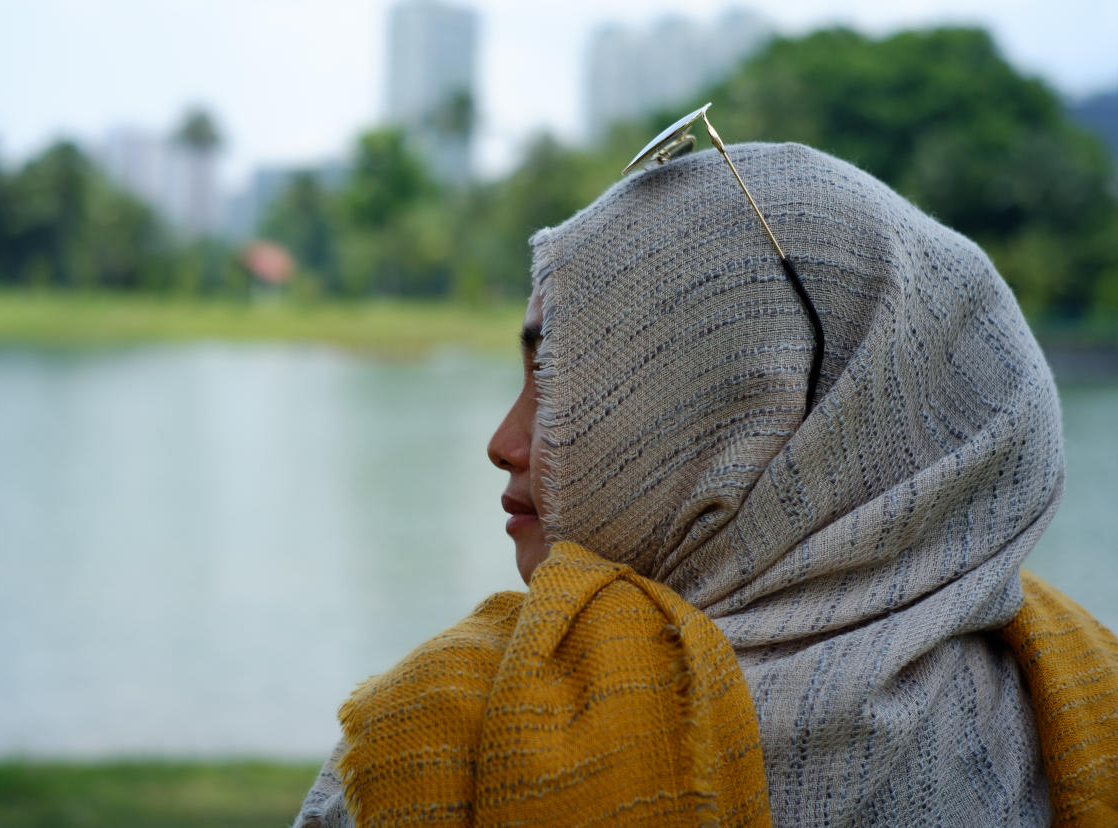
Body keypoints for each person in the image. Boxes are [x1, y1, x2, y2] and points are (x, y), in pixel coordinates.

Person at [294, 113, 1118, 827]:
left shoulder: (445, 740)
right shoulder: (1080, 707)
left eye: (553, 381)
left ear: (731, 424)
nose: (503, 441)